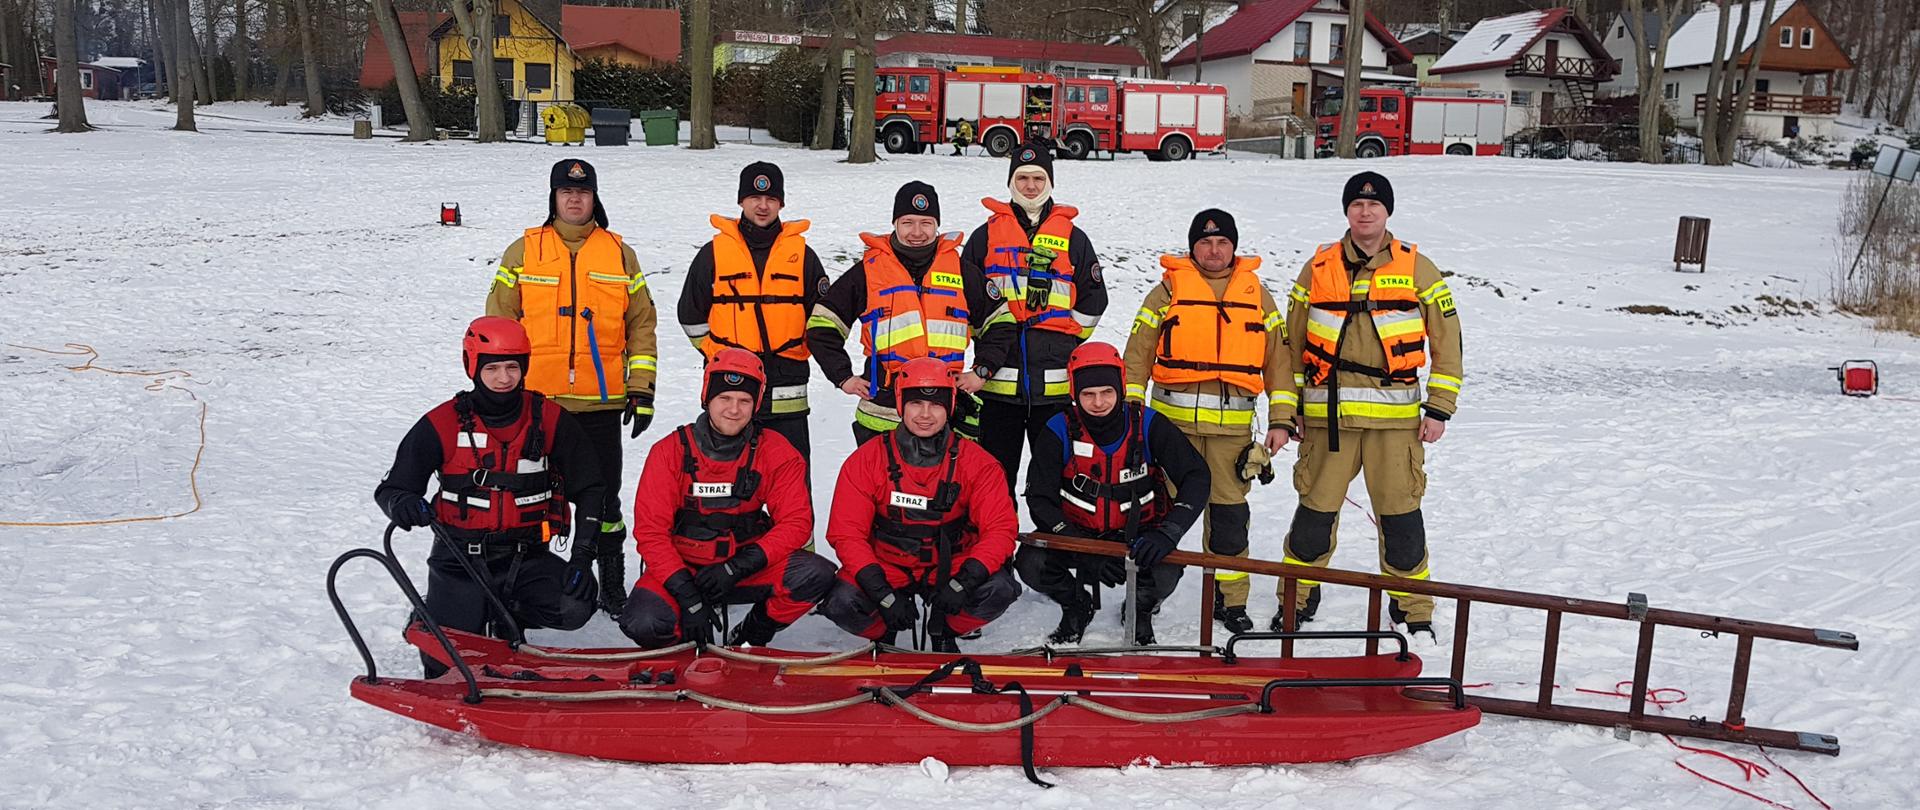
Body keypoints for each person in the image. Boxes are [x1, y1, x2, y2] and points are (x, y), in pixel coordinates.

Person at [1272, 172, 1464, 641]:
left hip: (1395, 426)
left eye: (1374, 206)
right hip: (1327, 421)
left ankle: (1413, 608)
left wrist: (1439, 407)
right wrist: (1290, 407)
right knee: (1313, 520)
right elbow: (1291, 344)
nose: (1365, 212)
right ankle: (1296, 600)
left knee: (1402, 520)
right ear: (1346, 211)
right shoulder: (1317, 268)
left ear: (1387, 212)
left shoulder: (1419, 268)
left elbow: (1448, 342)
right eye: (1356, 204)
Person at [374, 317, 606, 676]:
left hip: (526, 557)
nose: (504, 378)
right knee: (444, 666)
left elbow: (591, 487)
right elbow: (392, 489)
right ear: (472, 366)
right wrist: (401, 504)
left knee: (574, 606)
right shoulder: (443, 423)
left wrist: (582, 556)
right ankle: (434, 613)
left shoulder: (550, 420)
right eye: (493, 367)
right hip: (459, 561)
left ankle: (505, 615)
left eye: (513, 367)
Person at [486, 159, 659, 620]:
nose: (574, 199)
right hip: (534, 403)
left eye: (582, 192)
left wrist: (641, 390)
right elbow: (499, 324)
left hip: (600, 404)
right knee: (527, 496)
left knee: (604, 500)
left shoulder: (620, 255)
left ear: (594, 197)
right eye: (565, 192)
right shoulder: (522, 251)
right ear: (553, 198)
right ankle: (527, 583)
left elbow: (642, 324)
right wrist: (500, 390)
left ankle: (612, 582)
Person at [1123, 210, 1292, 635]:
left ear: (1233, 247)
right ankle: (1145, 595)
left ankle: (1229, 600)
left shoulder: (1259, 296)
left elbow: (1280, 364)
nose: (1213, 250)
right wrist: (1131, 410)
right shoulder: (1166, 291)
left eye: (1222, 243)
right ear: (1192, 248)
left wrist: (1281, 419)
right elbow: (1138, 353)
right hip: (1170, 431)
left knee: (1230, 520)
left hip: (1231, 435)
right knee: (1158, 515)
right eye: (1204, 243)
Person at [618, 349, 836, 648]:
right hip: (684, 567)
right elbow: (651, 532)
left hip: (743, 568)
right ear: (707, 397)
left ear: (756, 404)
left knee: (816, 574)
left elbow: (797, 522)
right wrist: (686, 593)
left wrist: (739, 566)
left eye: (744, 401)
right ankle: (682, 652)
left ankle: (751, 637)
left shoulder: (776, 452)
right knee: (644, 622)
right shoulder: (669, 451)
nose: (734, 410)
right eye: (725, 398)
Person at [821, 357, 1022, 652]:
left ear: (950, 406)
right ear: (901, 405)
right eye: (916, 404)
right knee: (840, 602)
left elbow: (1000, 530)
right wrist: (882, 594)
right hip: (888, 564)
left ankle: (944, 628)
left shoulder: (978, 463)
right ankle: (884, 633)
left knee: (1000, 589)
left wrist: (963, 583)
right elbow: (846, 533)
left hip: (951, 565)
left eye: (936, 405)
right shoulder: (866, 460)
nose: (925, 415)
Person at [1017, 342, 1210, 645]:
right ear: (1074, 394)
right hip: (1077, 533)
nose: (1098, 402)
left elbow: (1197, 476)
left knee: (1167, 569)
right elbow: (1040, 499)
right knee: (1031, 561)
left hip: (1139, 534)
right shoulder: (1058, 429)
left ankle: (1140, 608)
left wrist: (1167, 534)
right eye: (1088, 394)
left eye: (1107, 392)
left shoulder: (1148, 424)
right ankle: (1074, 603)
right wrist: (1082, 550)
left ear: (1120, 388)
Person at [963, 143, 1108, 500]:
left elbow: (1094, 297)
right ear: (1011, 182)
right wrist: (986, 342)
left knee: (1054, 482)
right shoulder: (984, 236)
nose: (1030, 186)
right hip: (997, 388)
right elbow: (965, 301)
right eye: (1022, 178)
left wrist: (1068, 338)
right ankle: (997, 553)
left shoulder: (1074, 238)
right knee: (994, 482)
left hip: (1054, 391)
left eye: (1038, 178)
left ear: (1050, 183)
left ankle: (1051, 551)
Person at [806, 181, 1002, 443]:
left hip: (943, 408)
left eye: (926, 223)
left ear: (937, 226)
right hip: (883, 411)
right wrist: (842, 376)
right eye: (908, 222)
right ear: (895, 223)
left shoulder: (960, 270)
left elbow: (1000, 322)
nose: (917, 232)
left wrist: (982, 371)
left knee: (947, 483)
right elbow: (823, 325)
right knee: (880, 483)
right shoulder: (869, 271)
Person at [679, 162, 829, 478]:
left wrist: (804, 347)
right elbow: (690, 315)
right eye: (754, 198)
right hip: (731, 385)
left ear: (781, 204)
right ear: (741, 201)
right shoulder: (714, 253)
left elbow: (824, 317)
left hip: (788, 387)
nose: (763, 206)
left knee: (791, 477)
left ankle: (799, 530)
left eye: (771, 199)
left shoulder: (803, 255)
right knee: (727, 477)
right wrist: (717, 354)